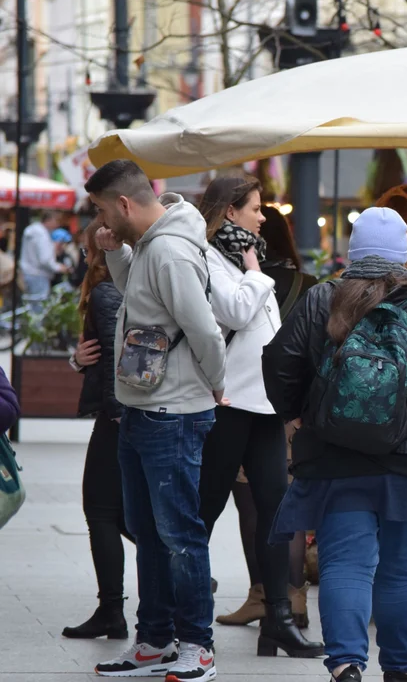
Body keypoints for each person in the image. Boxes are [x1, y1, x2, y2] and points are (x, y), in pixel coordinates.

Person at [263, 207, 407, 682]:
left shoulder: (322, 298)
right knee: (401, 569)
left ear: (352, 250)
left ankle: (345, 665)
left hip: (336, 458)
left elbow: (280, 362)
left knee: (345, 563)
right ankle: (400, 667)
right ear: (404, 252)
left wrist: (298, 416)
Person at [85, 159, 227, 682]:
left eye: (102, 209)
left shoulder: (169, 250)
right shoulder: (148, 244)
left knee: (179, 534)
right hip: (144, 407)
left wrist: (215, 383)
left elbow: (205, 330)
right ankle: (154, 640)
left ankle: (197, 645)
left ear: (124, 204)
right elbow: (142, 297)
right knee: (149, 532)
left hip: (173, 413)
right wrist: (116, 250)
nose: (99, 218)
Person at [194, 175, 322, 659]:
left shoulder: (246, 258)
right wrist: (257, 271)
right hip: (226, 404)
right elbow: (234, 312)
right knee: (203, 513)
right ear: (230, 211)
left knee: (276, 513)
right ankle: (176, 619)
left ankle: (279, 622)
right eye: (255, 208)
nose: (263, 216)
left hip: (264, 405)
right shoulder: (208, 257)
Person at [217, 203, 317, 629]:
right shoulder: (307, 284)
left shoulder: (237, 279)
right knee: (283, 504)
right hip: (292, 412)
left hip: (245, 402)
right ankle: (292, 597)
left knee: (251, 506)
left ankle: (261, 594)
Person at [63, 217, 130, 640]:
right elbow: (101, 356)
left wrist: (117, 415)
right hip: (121, 413)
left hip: (117, 417)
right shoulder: (117, 287)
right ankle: (183, 572)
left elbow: (115, 359)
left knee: (102, 512)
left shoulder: (106, 291)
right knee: (122, 514)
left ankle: (112, 611)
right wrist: (76, 360)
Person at [19, 210, 69, 306]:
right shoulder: (42, 234)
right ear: (49, 220)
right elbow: (45, 259)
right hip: (39, 275)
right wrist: (59, 267)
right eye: (56, 221)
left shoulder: (32, 230)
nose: (57, 225)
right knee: (39, 309)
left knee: (31, 306)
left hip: (28, 273)